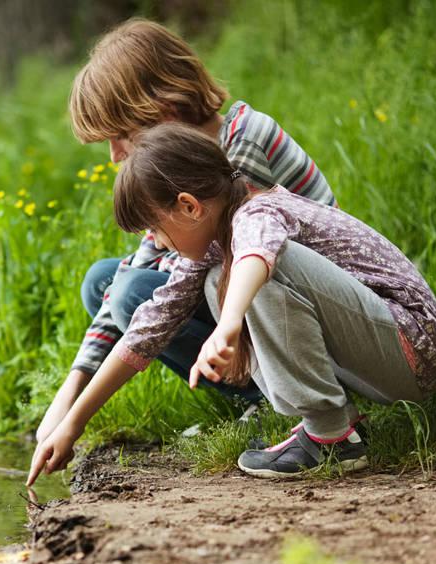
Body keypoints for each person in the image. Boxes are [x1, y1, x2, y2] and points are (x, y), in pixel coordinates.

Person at [27, 123, 436, 483]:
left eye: (154, 229)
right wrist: (73, 423)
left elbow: (257, 258)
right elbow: (146, 330)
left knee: (257, 271)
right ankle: (338, 426)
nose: (154, 242)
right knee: (216, 280)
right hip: (375, 355)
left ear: (189, 206)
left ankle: (331, 436)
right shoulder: (212, 243)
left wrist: (228, 326)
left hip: (412, 349)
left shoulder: (258, 212)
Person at [35, 18, 339, 447]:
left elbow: (180, 284)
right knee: (104, 282)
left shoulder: (240, 146)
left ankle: (280, 394)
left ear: (165, 112)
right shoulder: (176, 165)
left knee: (133, 294)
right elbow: (140, 264)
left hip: (308, 312)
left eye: (121, 136)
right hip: (249, 294)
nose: (114, 155)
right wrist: (67, 396)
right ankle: (257, 395)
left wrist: (78, 417)